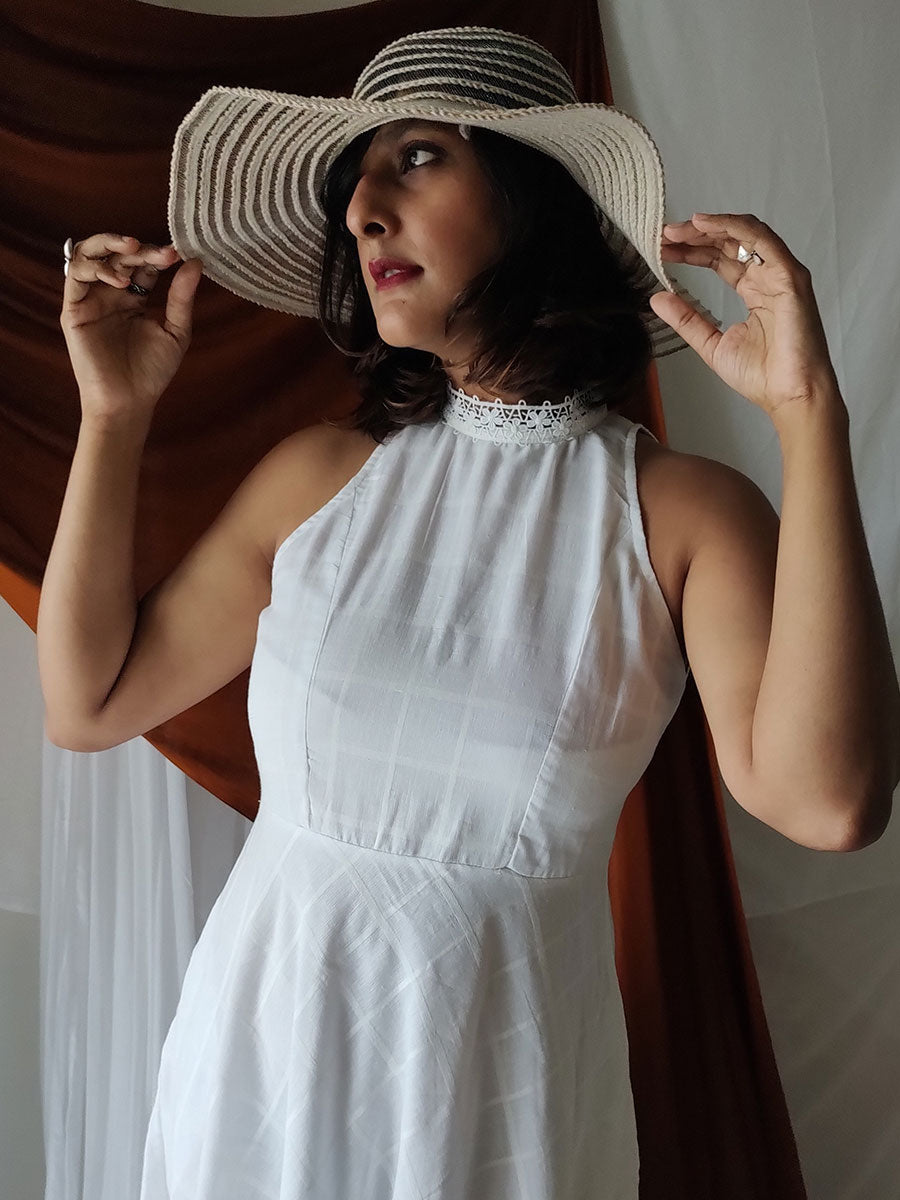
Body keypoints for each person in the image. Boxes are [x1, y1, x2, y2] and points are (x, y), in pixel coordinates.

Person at [39, 25, 898, 1200]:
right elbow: (87, 702)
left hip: (498, 1099)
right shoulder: (318, 479)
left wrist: (810, 417)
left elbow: (831, 802)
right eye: (356, 181)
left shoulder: (683, 513)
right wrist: (113, 416)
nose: (364, 210)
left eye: (418, 157)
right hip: (258, 1073)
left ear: (534, 199)